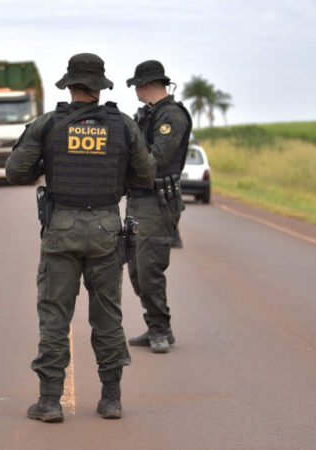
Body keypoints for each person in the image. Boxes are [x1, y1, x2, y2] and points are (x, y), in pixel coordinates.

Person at [6, 53, 155, 422]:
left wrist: (46, 163)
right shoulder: (122, 125)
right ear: (100, 87)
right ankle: (111, 399)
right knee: (108, 317)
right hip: (106, 227)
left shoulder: (47, 124)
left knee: (55, 315)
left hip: (61, 229)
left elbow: (15, 171)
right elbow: (147, 174)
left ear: (70, 85)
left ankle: (50, 401)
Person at [125, 60, 193, 353]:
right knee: (137, 270)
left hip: (157, 201)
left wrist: (124, 154)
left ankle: (160, 330)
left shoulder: (171, 116)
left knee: (149, 266)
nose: (136, 92)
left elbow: (157, 157)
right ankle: (156, 323)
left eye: (137, 86)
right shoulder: (148, 115)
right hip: (139, 199)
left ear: (146, 85)